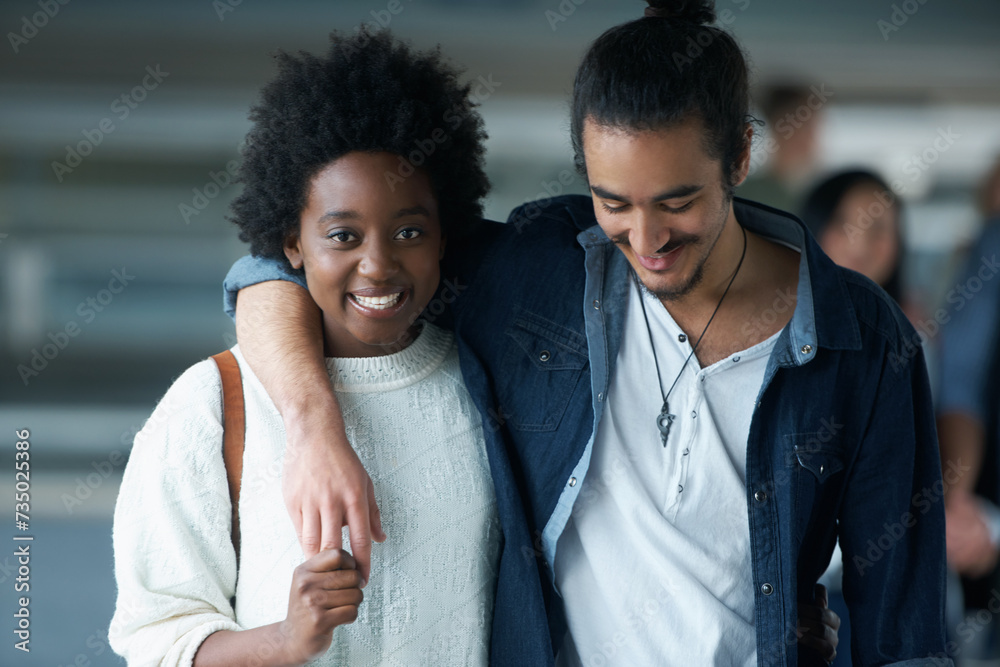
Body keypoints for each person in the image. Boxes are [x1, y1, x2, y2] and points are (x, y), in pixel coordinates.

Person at [225, 2, 948, 665]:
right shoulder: (537, 274)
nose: (647, 237)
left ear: (739, 156)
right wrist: (315, 426)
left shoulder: (864, 340)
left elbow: (904, 632)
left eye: (678, 201)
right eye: (614, 201)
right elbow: (272, 270)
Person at [109, 30, 502, 666]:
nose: (377, 265)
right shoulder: (213, 404)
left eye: (408, 231)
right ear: (291, 245)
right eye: (343, 235)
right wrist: (288, 640)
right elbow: (158, 641)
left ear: (443, 237)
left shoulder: (487, 389)